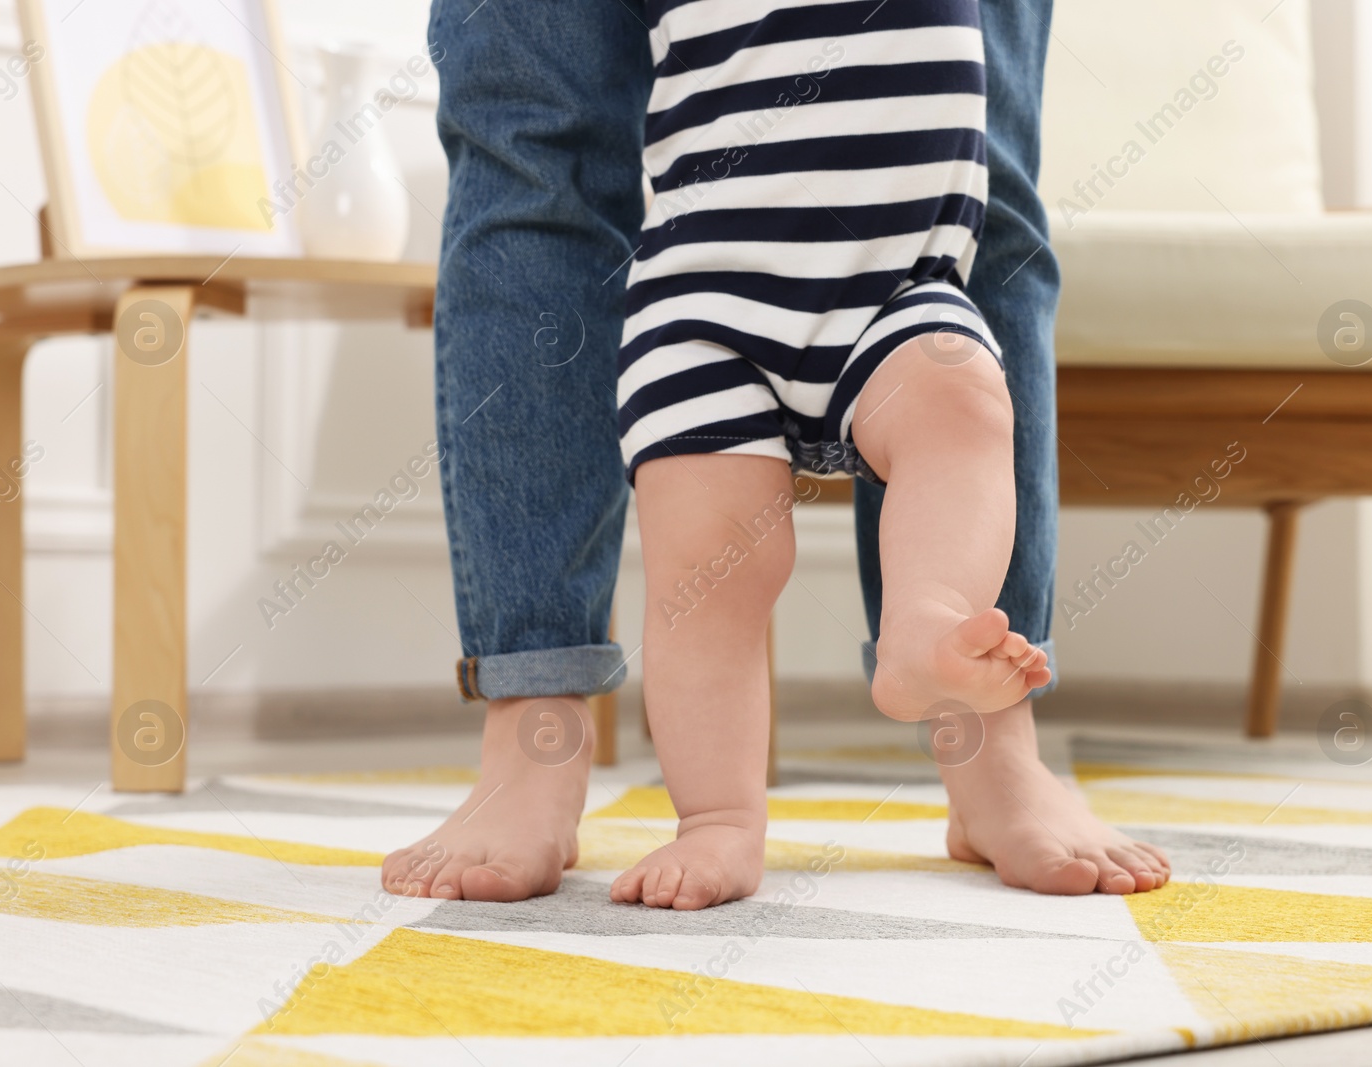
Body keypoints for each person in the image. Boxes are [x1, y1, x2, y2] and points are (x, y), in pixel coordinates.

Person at [382, 0, 1170, 906]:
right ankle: (712, 815)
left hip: (907, 283)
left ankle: (939, 645)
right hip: (705, 306)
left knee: (962, 402)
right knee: (715, 569)